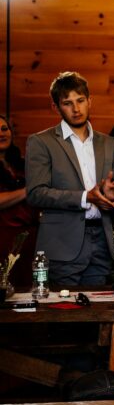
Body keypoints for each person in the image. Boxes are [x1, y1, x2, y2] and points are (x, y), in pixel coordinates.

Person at [25, 72, 114, 286]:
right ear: (56, 107)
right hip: (61, 243)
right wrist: (85, 197)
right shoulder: (41, 142)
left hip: (102, 241)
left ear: (90, 101)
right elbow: (35, 194)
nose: (76, 109)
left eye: (80, 101)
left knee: (96, 313)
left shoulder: (109, 143)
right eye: (67, 103)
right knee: (62, 315)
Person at [0, 115, 37, 289]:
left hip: (30, 239)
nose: (1, 134)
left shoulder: (22, 163)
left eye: (4, 129)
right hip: (3, 239)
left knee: (29, 290)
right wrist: (27, 191)